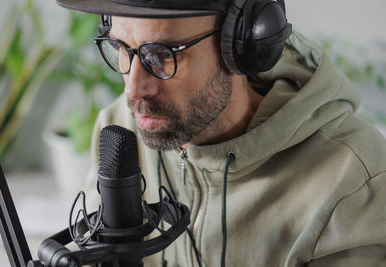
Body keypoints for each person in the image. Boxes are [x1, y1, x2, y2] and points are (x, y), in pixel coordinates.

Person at [56, 0, 386, 266]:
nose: (134, 90)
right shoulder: (120, 128)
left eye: (161, 54)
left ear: (244, 44)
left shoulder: (353, 181)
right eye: (121, 47)